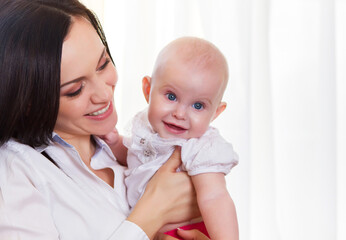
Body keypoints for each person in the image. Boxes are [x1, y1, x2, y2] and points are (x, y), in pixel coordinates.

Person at [0, 1, 210, 239]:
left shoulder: (125, 147)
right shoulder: (15, 171)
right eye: (75, 89)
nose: (104, 94)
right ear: (27, 102)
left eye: (103, 64)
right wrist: (153, 212)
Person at [105, 37, 239, 239]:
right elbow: (137, 159)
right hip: (144, 229)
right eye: (171, 96)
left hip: (183, 233)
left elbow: (215, 197)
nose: (180, 114)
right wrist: (116, 144)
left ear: (216, 113)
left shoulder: (199, 147)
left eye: (198, 106)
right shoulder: (147, 130)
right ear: (148, 90)